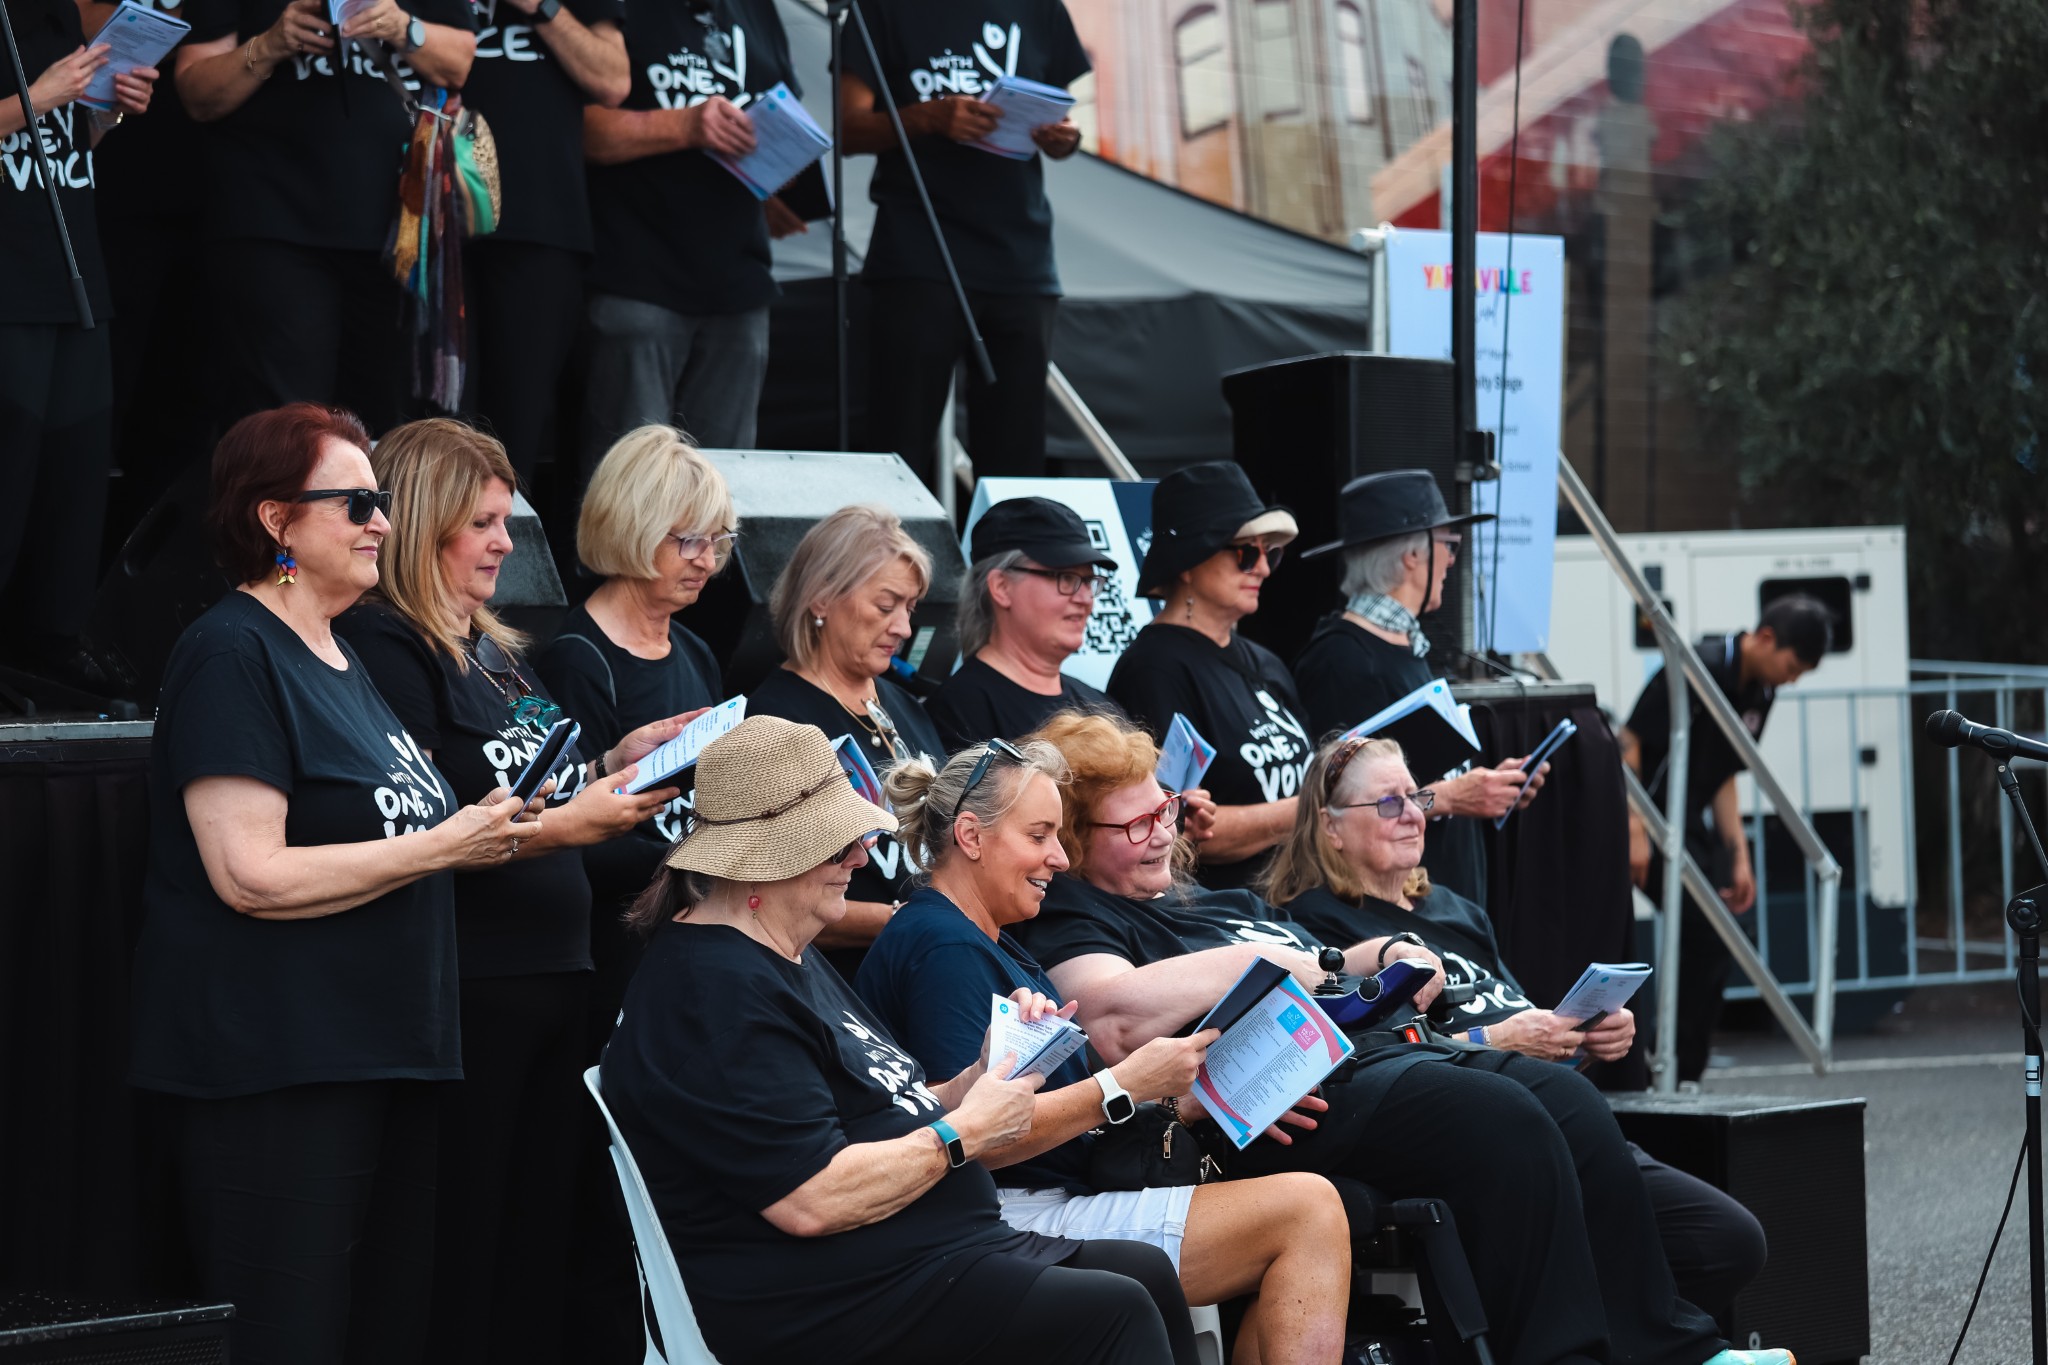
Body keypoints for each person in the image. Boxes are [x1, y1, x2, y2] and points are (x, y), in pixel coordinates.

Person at [1018, 710, 1792, 1365]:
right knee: (1504, 1121)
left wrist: (1385, 951)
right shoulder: (1078, 917)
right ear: (1074, 840)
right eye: (1136, 823)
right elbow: (1111, 1014)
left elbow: (1330, 960)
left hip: (1374, 1051)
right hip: (1287, 1092)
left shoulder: (1216, 902)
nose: (1163, 833)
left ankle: (1674, 1351)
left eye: (1165, 811)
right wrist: (1280, 963)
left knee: (1567, 1099)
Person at [127, 403, 536, 1365]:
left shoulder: (343, 653)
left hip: (387, 1057)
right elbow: (250, 875)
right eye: (355, 503)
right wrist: (443, 846)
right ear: (275, 519)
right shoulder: (232, 650)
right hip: (284, 1068)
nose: (381, 522)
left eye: (380, 501)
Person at [601, 714, 1198, 1365]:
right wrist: (966, 1130)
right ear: (761, 862)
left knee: (1144, 1273)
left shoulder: (779, 952)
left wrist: (977, 1078)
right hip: (832, 1300)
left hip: (920, 1258)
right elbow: (813, 1197)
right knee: (1116, 1310)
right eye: (837, 845)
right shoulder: (712, 993)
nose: (860, 858)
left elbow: (874, 1107)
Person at [332, 418, 698, 1364]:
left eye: (508, 521)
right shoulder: (387, 645)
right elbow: (426, 822)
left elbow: (545, 779)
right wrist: (575, 823)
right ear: (423, 525)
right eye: (484, 523)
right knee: (470, 1242)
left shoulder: (496, 648)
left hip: (558, 979)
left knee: (540, 1239)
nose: (504, 543)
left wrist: (615, 761)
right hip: (476, 986)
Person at [859, 739, 1352, 1365]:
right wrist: (1127, 1084)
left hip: (1049, 1199)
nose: (1060, 858)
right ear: (971, 837)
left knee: (1306, 1209)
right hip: (1003, 1219)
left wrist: (1190, 1100)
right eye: (1039, 835)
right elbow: (981, 1142)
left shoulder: (984, 938)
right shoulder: (943, 945)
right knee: (1307, 1213)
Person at [1264, 732, 1771, 1328]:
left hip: (1560, 1110)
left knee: (1726, 1240)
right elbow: (1374, 1062)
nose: (1412, 815)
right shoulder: (1319, 930)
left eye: (1418, 798)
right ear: (1330, 827)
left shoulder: (1455, 909)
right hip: (1483, 1135)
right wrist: (1499, 1043)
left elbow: (1522, 1021)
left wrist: (1579, 1039)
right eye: (1388, 803)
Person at [532, 425, 732, 1362]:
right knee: (603, 1207)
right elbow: (568, 841)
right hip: (608, 962)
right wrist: (694, 854)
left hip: (681, 957)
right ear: (630, 524)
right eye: (686, 538)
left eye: (718, 541)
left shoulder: (693, 648)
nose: (705, 560)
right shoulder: (577, 655)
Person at [174, 0, 474, 432]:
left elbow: (458, 64)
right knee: (285, 422)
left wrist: (399, 25)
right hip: (271, 219)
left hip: (399, 228)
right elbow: (197, 95)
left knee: (381, 422)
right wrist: (271, 44)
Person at [838, 0, 1088, 490]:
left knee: (1017, 455)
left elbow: (1062, 116)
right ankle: (887, 546)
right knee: (897, 451)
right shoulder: (880, 9)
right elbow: (847, 129)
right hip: (919, 251)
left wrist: (1066, 138)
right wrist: (928, 118)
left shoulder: (1041, 9)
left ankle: (1008, 545)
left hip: (1022, 258)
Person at [1293, 470, 1545, 907]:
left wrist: (1486, 786)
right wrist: (1456, 796)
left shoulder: (1403, 647)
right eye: (1450, 544)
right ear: (1412, 554)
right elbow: (1344, 802)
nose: (1452, 560)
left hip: (1439, 903)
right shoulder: (1343, 659)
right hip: (1392, 916)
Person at [0, 0, 156, 683]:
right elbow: (34, 110)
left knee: (73, 470)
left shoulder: (63, 18)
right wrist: (39, 97)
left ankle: (52, 636)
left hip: (73, 273)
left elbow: (61, 144)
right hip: (11, 277)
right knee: (9, 466)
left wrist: (105, 113)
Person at [578, 0, 805, 464]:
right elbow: (582, 131)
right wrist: (686, 124)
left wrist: (781, 158)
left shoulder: (756, 10)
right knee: (631, 480)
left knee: (724, 482)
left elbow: (786, 108)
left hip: (740, 286)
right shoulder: (619, 9)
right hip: (636, 280)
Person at [1620, 593, 1833, 1083]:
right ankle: (1654, 1065)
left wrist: (1739, 855)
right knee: (1700, 928)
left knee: (1721, 933)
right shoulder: (1699, 666)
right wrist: (1633, 828)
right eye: (1792, 667)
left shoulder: (1761, 691)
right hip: (1641, 813)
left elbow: (1724, 774)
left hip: (1685, 820)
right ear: (1766, 638)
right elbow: (1629, 740)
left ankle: (1681, 1070)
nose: (1792, 680)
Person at [749, 504, 947, 957]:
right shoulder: (775, 719)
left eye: (910, 608)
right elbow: (772, 895)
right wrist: (903, 921)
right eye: (885, 606)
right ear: (821, 598)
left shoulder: (902, 704)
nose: (904, 628)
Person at [1107, 462, 1310, 890]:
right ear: (1187, 563)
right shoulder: (1153, 670)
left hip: (1302, 896)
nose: (1264, 569)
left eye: (1270, 553)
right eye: (1246, 553)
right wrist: (1312, 809)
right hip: (1228, 906)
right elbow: (1173, 827)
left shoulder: (1266, 662)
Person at [458, 0, 628, 486]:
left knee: (513, 430)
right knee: (428, 417)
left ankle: (503, 533)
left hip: (540, 226)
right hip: (423, 217)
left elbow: (613, 80)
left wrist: (540, 6)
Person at [924, 497, 1122, 751]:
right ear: (1001, 587)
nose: (1085, 599)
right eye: (1066, 578)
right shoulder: (959, 712)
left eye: (1089, 582)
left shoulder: (1102, 707)